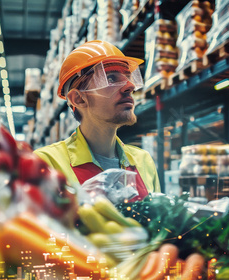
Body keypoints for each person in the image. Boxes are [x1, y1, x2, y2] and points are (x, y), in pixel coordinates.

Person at [34, 40, 161, 201]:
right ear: (78, 99)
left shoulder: (143, 160)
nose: (130, 86)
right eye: (111, 78)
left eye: (129, 77)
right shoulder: (47, 163)